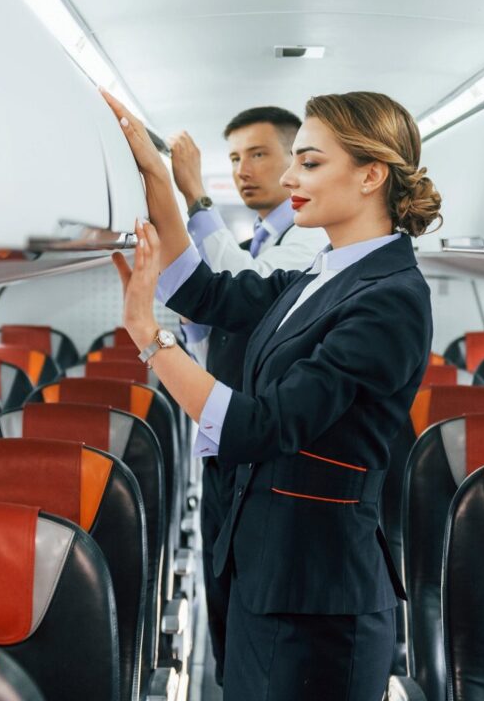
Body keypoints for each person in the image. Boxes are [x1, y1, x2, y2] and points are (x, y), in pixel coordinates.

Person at [102, 88, 441, 700]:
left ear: (371, 174)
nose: (288, 177)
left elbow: (260, 426)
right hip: (266, 571)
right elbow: (210, 294)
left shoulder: (390, 298)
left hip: (319, 604)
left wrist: (150, 339)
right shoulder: (327, 271)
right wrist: (158, 179)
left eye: (309, 163)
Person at [166, 109, 327, 685]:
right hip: (222, 448)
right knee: (223, 602)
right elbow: (214, 323)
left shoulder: (313, 238)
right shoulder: (248, 243)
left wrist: (192, 198)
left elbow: (248, 295)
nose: (242, 170)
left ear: (294, 160)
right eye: (233, 158)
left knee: (255, 624)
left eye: (258, 154)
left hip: (264, 452)